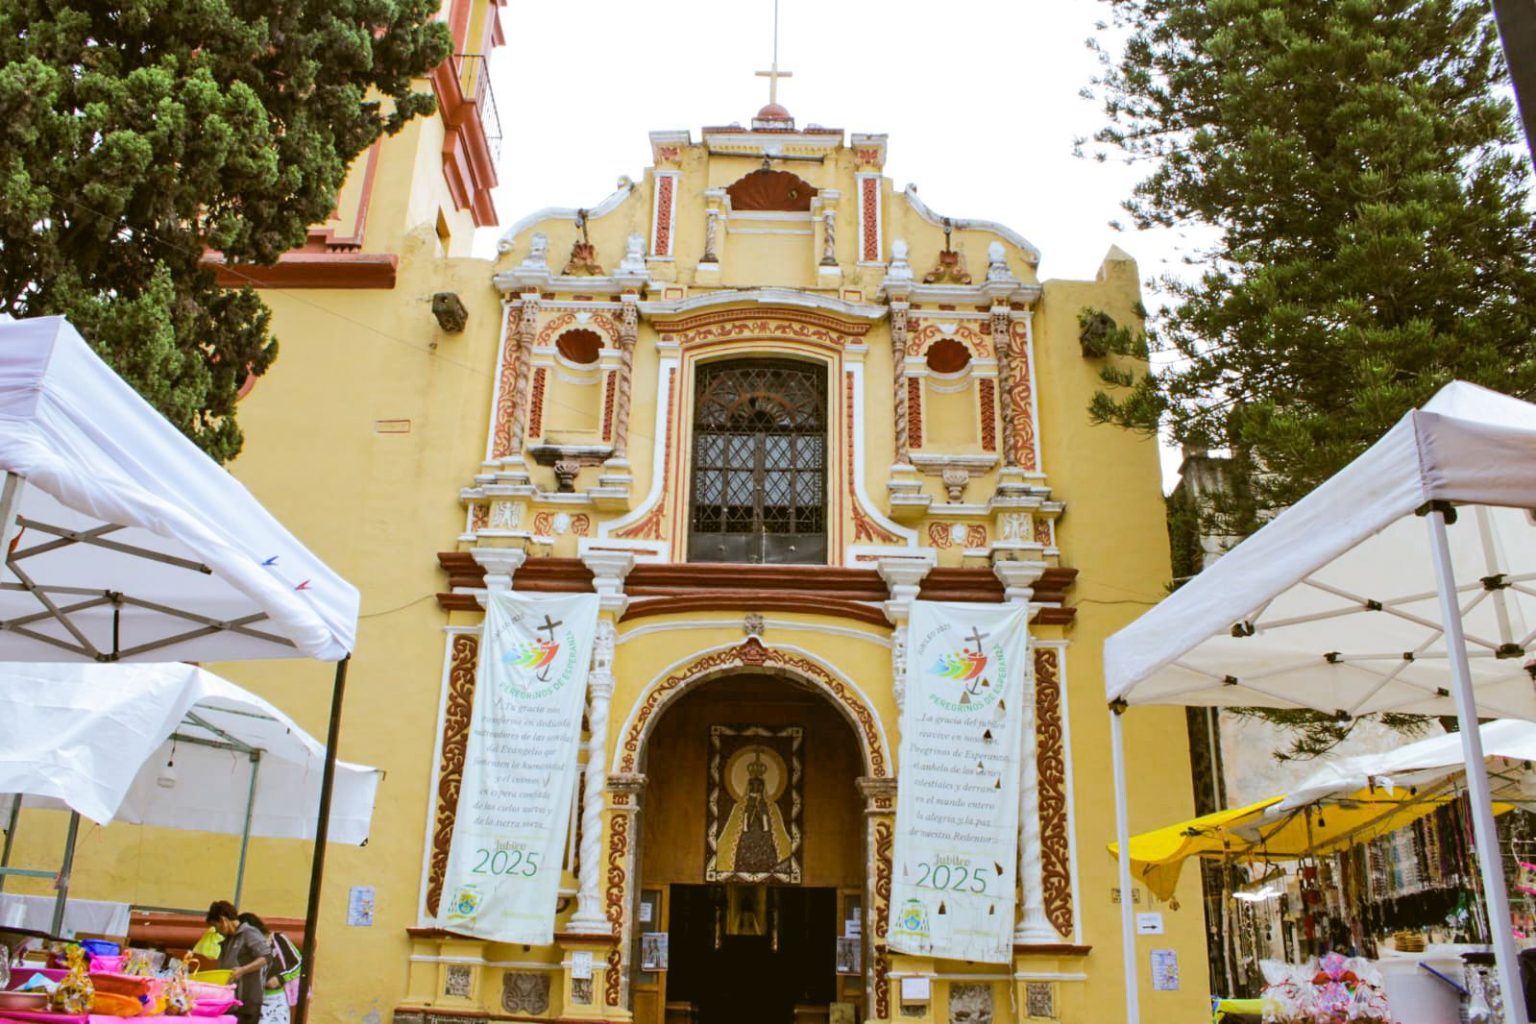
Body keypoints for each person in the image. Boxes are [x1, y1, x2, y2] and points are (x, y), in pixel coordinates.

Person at [206, 901, 267, 1024]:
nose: (217, 931)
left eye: (216, 926)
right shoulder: (228, 939)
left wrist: (242, 970)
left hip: (247, 1001)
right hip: (230, 1000)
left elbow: (266, 957)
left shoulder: (249, 933)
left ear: (223, 920)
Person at [237, 913, 297, 1024]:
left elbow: (299, 964)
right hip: (249, 1003)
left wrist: (280, 978)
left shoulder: (278, 939)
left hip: (275, 1002)